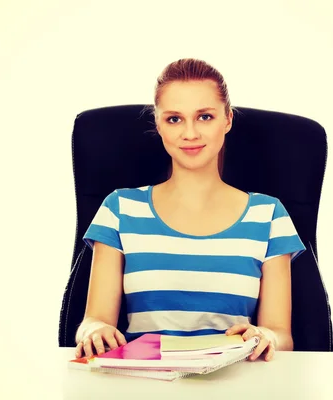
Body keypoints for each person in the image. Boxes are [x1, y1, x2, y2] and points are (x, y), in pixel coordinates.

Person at [74, 58, 306, 362]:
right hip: (143, 380)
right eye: (174, 119)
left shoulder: (269, 215)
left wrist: (266, 336)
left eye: (205, 117)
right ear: (158, 124)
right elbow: (94, 319)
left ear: (227, 120)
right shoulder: (119, 209)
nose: (190, 133)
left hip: (236, 380)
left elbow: (280, 333)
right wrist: (93, 331)